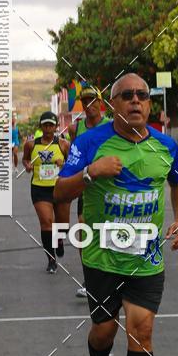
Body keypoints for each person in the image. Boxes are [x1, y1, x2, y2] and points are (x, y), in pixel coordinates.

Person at [54, 73, 178, 356]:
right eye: (126, 95)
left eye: (142, 95)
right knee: (104, 331)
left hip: (146, 259)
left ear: (149, 103)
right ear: (113, 104)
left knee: (141, 331)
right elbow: (60, 191)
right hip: (102, 258)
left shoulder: (164, 145)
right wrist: (91, 172)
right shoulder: (89, 142)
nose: (135, 101)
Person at [67, 86, 109, 299]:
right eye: (85, 101)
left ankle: (111, 275)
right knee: (84, 231)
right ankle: (89, 278)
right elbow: (73, 156)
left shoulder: (111, 125)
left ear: (100, 103)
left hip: (110, 187)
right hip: (87, 186)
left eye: (92, 100)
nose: (89, 105)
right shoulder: (76, 128)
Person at [22, 111, 70, 273]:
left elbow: (73, 164)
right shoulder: (31, 145)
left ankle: (59, 240)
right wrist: (27, 165)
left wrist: (63, 164)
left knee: (63, 225)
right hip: (40, 188)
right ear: (40, 127)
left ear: (56, 127)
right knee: (47, 222)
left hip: (60, 187)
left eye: (51, 125)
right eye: (45, 125)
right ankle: (51, 260)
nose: (48, 128)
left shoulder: (63, 145)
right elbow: (25, 159)